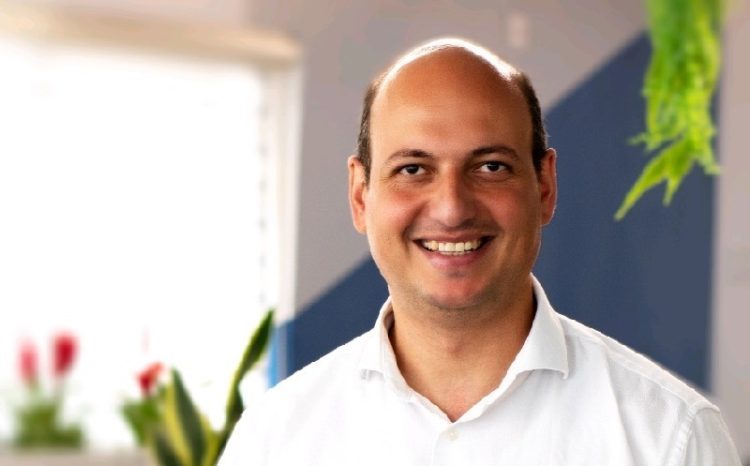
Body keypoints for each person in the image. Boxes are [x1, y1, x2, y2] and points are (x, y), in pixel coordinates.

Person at [218, 38, 741, 465]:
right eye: (412, 169)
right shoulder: (273, 440)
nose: (451, 208)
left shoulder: (673, 438)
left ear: (544, 187)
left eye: (491, 166)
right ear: (360, 196)